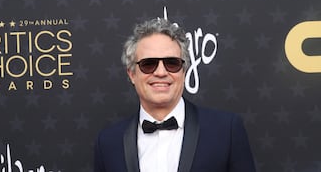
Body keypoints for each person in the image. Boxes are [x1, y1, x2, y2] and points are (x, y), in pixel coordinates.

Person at [94, 18, 256, 172]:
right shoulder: (108, 142)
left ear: (184, 71)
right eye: (148, 64)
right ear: (132, 74)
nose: (161, 72)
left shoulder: (226, 131)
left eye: (172, 63)